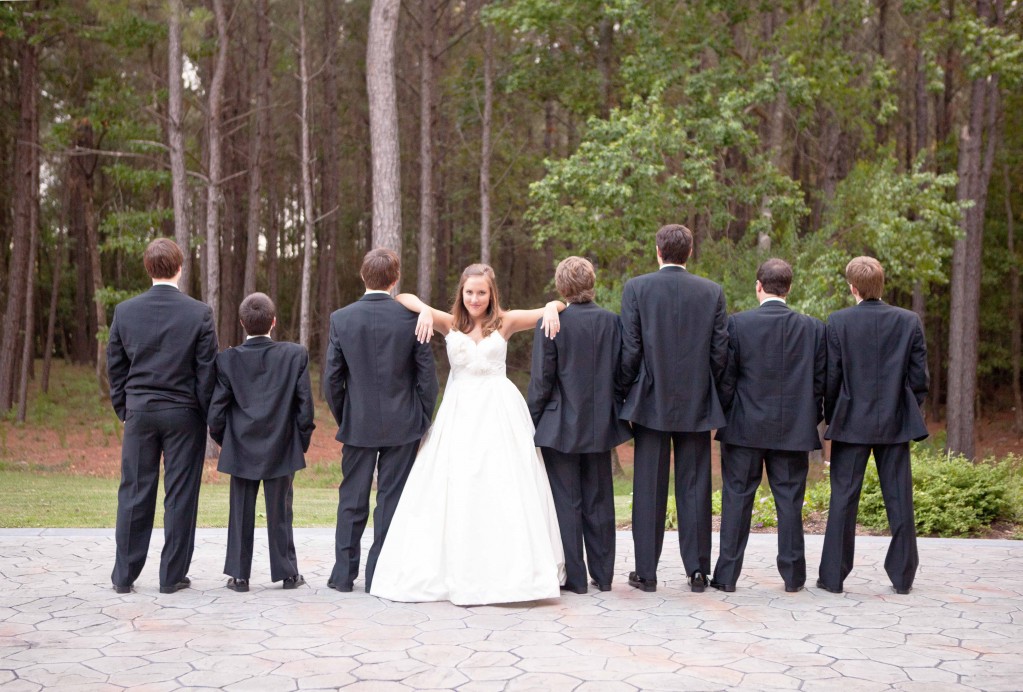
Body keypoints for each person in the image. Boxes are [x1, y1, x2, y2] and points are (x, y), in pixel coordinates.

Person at [369, 263, 567, 605]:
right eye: (469, 292)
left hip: (498, 411)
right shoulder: (449, 323)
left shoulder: (505, 322)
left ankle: (509, 568)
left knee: (502, 483)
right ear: (462, 293)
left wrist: (551, 307)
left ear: (492, 294)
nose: (475, 298)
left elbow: (558, 305)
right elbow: (402, 296)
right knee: (457, 483)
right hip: (460, 412)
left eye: (482, 292)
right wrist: (425, 314)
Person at [619, 224, 728, 593]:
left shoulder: (637, 288)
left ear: (658, 251)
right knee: (695, 486)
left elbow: (631, 350)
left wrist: (625, 393)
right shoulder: (712, 292)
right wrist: (709, 389)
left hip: (650, 400)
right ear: (689, 253)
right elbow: (719, 353)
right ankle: (698, 571)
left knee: (649, 487)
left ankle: (646, 573)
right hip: (698, 400)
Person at [323, 248, 439, 593]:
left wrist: (346, 414)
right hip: (403, 423)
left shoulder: (341, 318)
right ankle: (379, 575)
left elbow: (331, 379)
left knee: (352, 500)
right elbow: (427, 379)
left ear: (363, 276)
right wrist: (421, 416)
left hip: (358, 423)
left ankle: (343, 576)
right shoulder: (412, 319)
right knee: (390, 501)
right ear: (394, 279)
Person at [107, 238, 219, 594]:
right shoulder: (198, 313)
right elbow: (207, 372)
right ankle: (171, 577)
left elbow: (115, 365)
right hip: (184, 414)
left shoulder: (126, 311)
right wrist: (205, 414)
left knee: (134, 493)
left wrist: (125, 407)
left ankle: (124, 576)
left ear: (148, 268)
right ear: (179, 268)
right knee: (181, 495)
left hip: (140, 412)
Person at [710, 259, 826, 593]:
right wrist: (808, 418)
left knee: (737, 500)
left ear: (758, 285)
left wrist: (730, 413)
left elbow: (725, 376)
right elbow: (819, 382)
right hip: (792, 429)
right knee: (789, 503)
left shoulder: (737, 325)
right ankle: (794, 577)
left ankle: (727, 576)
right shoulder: (813, 328)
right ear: (789, 288)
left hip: (744, 427)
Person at [818, 256, 929, 595]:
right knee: (899, 499)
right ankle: (903, 577)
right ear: (881, 285)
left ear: (853, 287)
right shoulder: (909, 321)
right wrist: (907, 409)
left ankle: (833, 577)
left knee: (843, 500)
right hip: (895, 422)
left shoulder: (837, 322)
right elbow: (919, 379)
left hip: (851, 423)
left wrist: (833, 415)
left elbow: (831, 379)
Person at [527, 257, 632, 594]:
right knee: (600, 500)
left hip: (560, 425)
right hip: (601, 421)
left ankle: (575, 578)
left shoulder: (552, 323)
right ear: (593, 282)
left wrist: (532, 420)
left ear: (561, 287)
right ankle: (603, 576)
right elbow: (622, 372)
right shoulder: (613, 322)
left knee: (567, 502)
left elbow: (542, 379)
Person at [208, 292, 315, 592]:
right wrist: (300, 440)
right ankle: (288, 574)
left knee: (240, 510)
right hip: (282, 444)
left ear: (243, 323)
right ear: (274, 321)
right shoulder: (294, 355)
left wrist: (226, 440)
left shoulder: (228, 360)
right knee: (281, 510)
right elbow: (305, 407)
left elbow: (216, 412)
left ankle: (239, 576)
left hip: (241, 446)